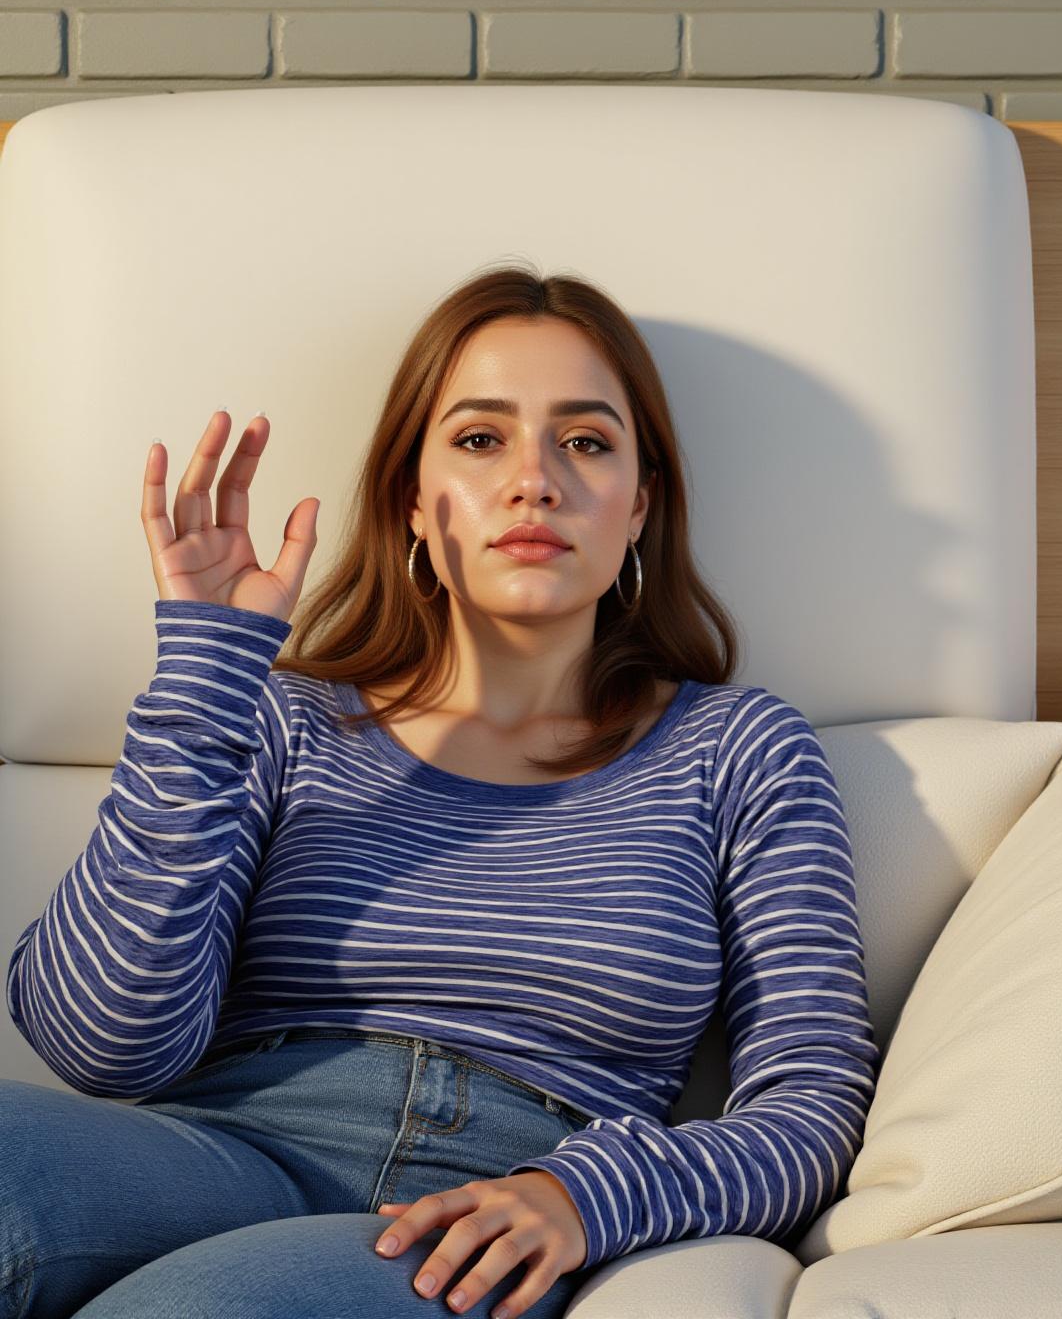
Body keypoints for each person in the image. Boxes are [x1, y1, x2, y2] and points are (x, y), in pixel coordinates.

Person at [2, 263, 878, 1318]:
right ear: (413, 502)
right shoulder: (283, 717)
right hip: (217, 1144)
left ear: (639, 506)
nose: (535, 480)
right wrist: (208, 666)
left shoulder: (740, 749)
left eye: (587, 442)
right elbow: (100, 1044)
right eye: (479, 438)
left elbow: (812, 1104)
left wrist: (587, 1194)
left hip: (487, 1211)